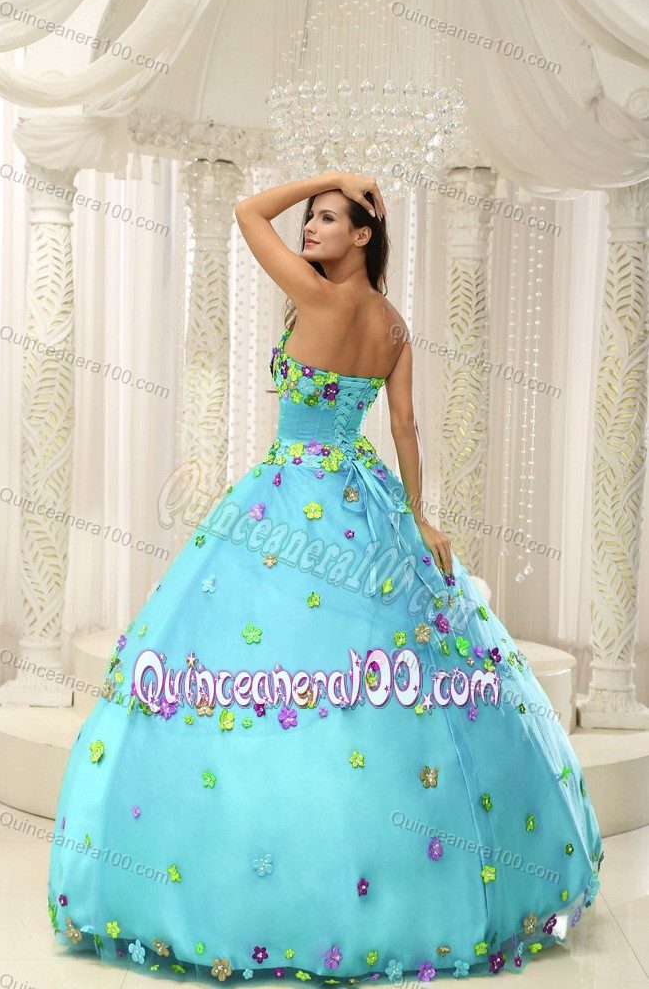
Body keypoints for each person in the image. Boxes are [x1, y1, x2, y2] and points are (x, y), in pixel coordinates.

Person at [47, 171, 603, 983]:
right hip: (365, 499)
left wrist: (329, 176)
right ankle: (409, 877)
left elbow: (247, 210)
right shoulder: (392, 324)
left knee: (256, 673)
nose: (310, 229)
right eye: (310, 218)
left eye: (328, 218)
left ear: (364, 235)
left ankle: (269, 883)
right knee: (390, 685)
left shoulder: (316, 297)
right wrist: (418, 516)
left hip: (285, 496)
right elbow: (404, 426)